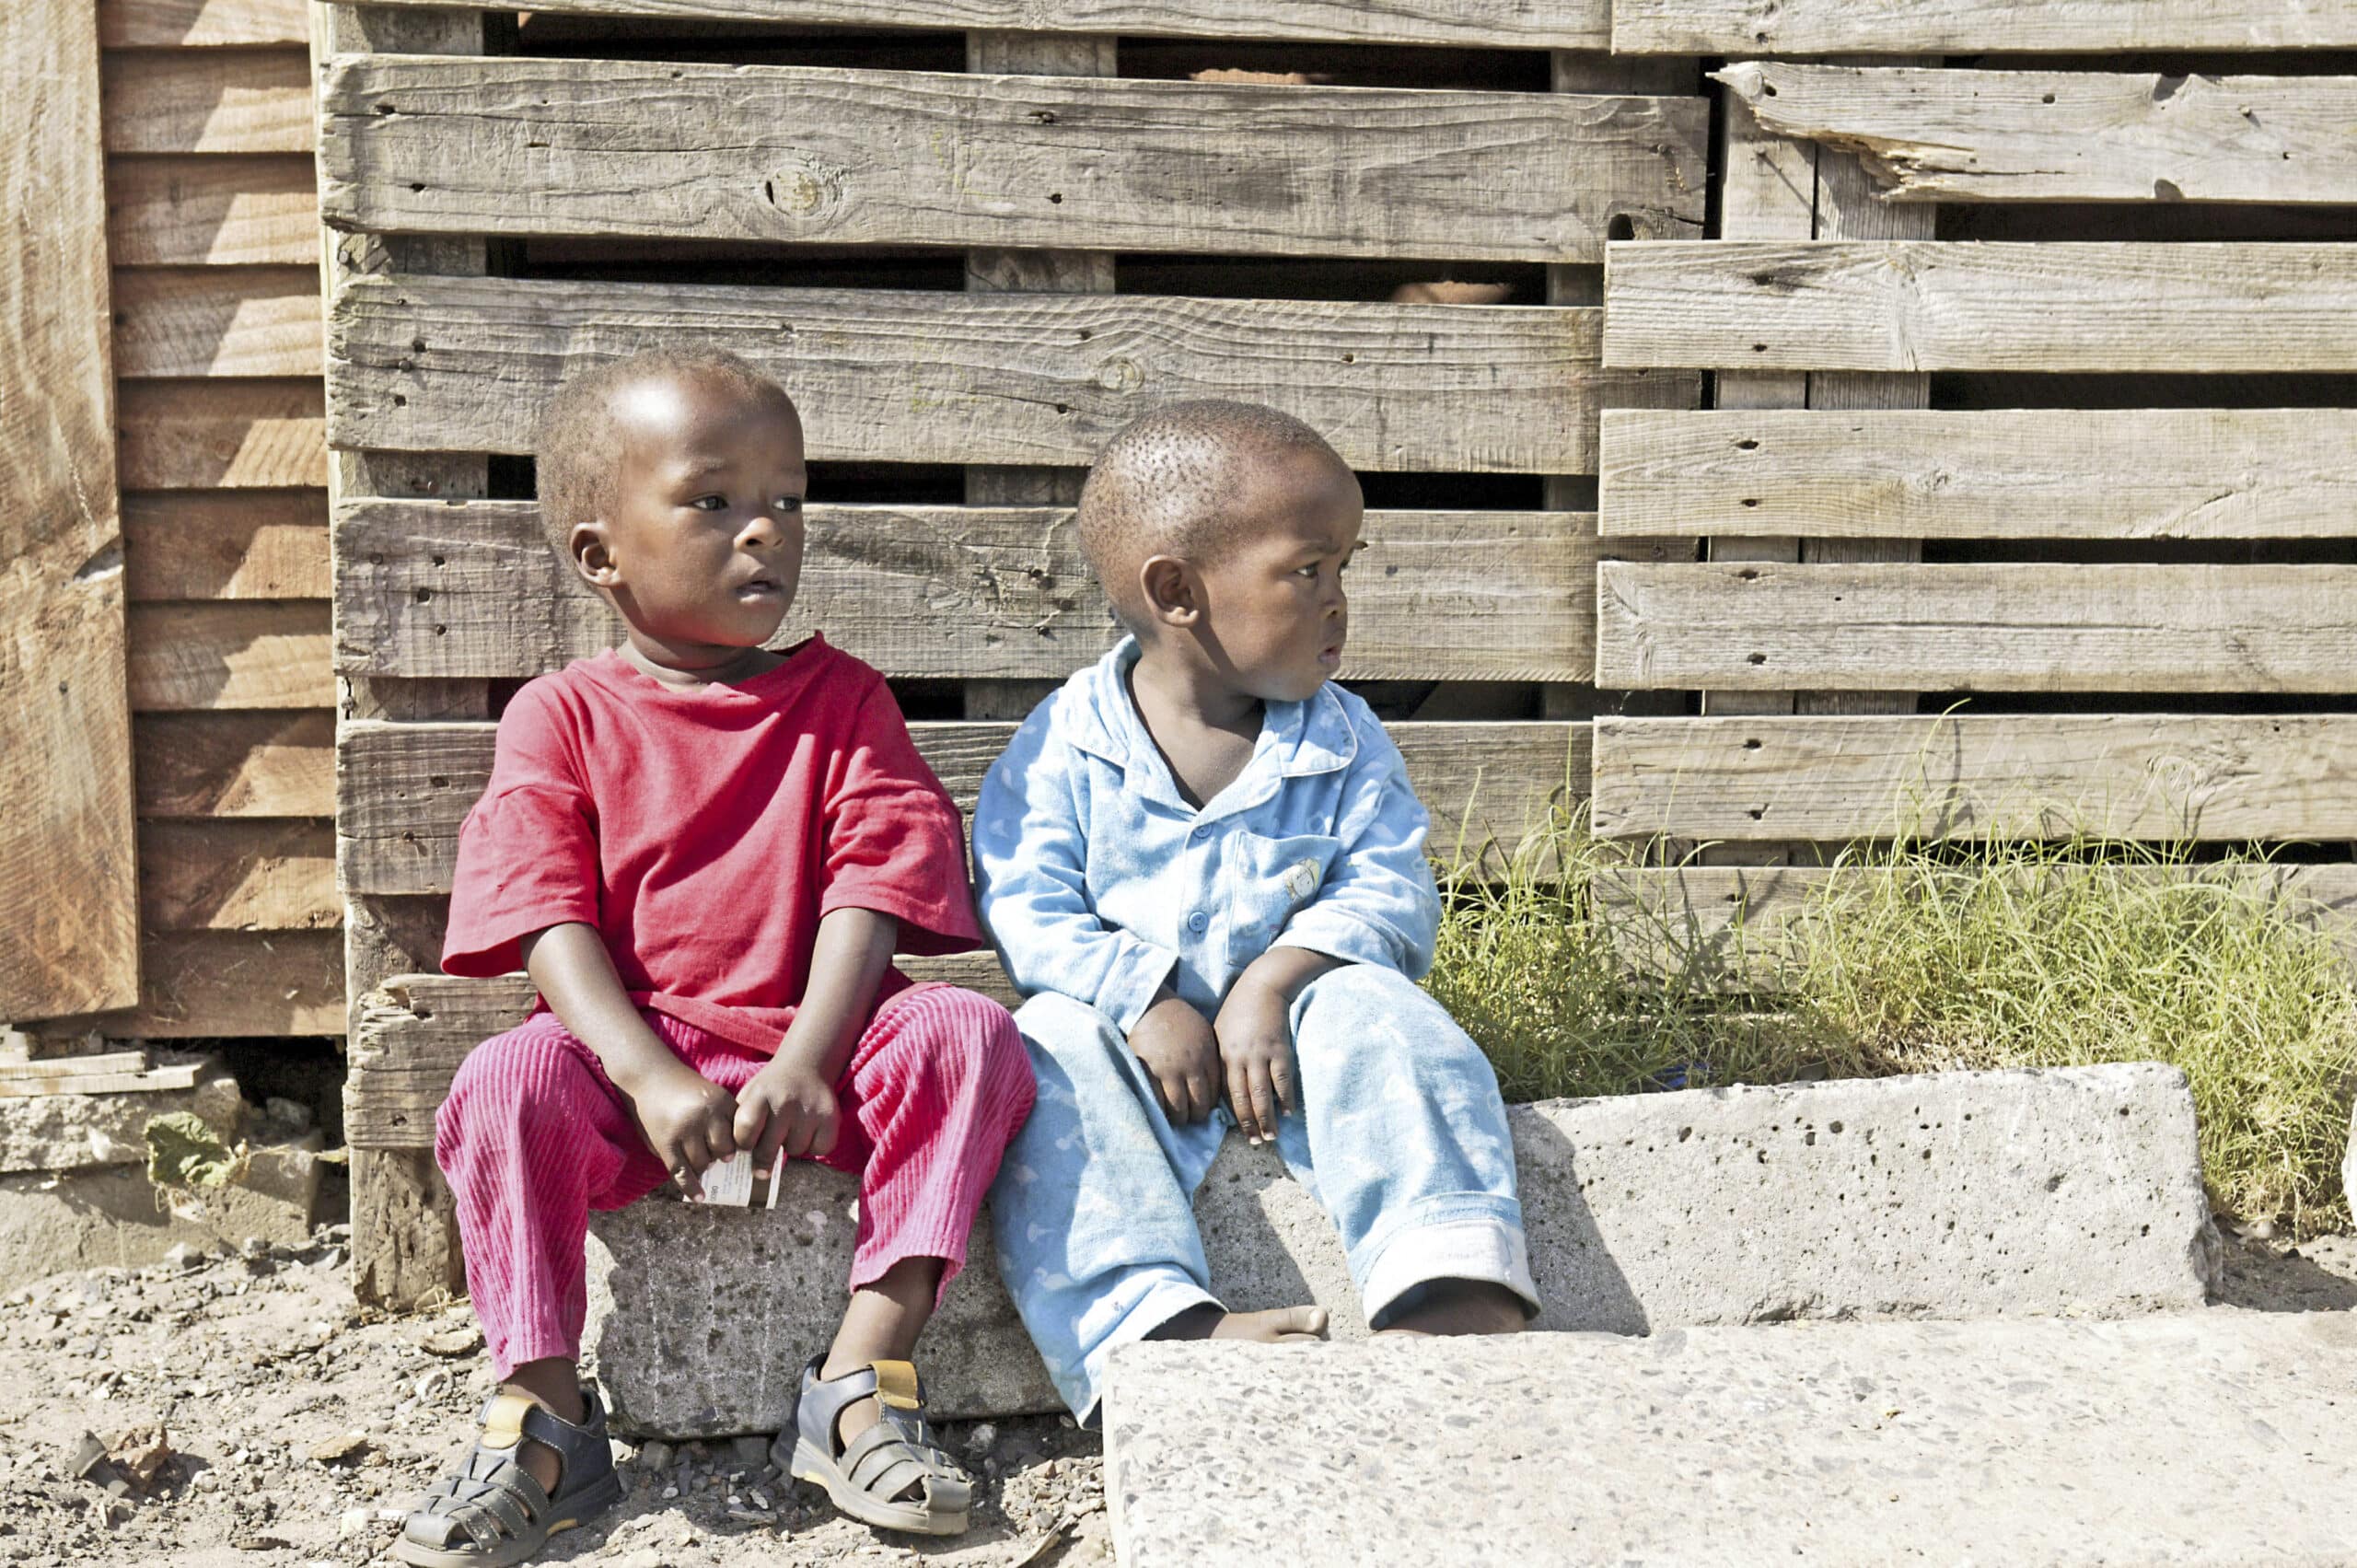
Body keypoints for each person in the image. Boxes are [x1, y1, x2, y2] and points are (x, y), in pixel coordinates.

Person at [396, 348, 1033, 1564]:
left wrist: (809, 1051)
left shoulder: (845, 700)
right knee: (498, 1083)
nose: (764, 533)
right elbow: (545, 915)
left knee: (970, 1035)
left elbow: (875, 882)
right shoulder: (562, 715)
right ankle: (543, 1412)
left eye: (786, 500)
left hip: (822, 1048)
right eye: (712, 500)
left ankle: (859, 1382)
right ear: (600, 555)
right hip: (638, 1059)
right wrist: (642, 1072)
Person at [972, 400, 1537, 1425]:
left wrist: (1278, 978)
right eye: (1308, 569)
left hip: (1301, 1050)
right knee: (1043, 1044)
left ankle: (1446, 1275)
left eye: (1346, 569)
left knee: (1389, 1014)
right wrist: (1141, 994)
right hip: (1133, 1055)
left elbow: (1388, 886)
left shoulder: (1346, 739)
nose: (1339, 601)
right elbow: (1024, 900)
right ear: (1179, 592)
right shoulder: (1064, 746)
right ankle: (1149, 1319)